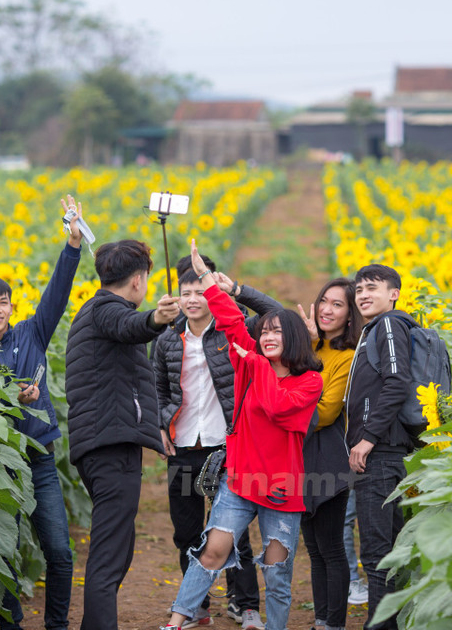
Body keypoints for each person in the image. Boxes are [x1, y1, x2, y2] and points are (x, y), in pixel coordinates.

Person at [160, 239, 323, 630]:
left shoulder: (309, 382)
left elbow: (277, 408)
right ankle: (178, 620)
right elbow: (233, 323)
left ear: (294, 340)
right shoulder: (249, 363)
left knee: (277, 571)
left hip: (282, 487)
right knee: (212, 551)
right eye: (263, 333)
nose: (266, 337)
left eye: (276, 333)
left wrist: (256, 362)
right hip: (239, 477)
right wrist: (207, 280)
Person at [0, 195, 83, 630]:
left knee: (59, 550)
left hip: (38, 459)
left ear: (11, 307)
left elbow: (57, 292)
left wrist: (72, 245)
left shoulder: (32, 333)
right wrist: (6, 399)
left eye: (4, 302)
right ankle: (11, 625)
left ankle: (56, 626)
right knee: (3, 551)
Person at [155, 258, 281, 630]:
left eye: (199, 291)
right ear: (177, 297)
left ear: (211, 294)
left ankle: (245, 606)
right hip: (182, 447)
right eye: (185, 293)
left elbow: (277, 315)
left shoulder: (233, 330)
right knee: (187, 531)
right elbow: (157, 388)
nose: (192, 299)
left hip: (227, 446)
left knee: (231, 530)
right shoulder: (166, 339)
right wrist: (161, 425)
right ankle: (197, 607)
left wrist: (235, 290)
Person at [65, 239, 180, 630]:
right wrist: (155, 320)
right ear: (138, 280)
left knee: (118, 551)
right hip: (110, 448)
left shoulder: (92, 310)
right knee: (108, 557)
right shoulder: (107, 310)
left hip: (104, 444)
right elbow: (130, 327)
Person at [345, 264, 416, 630]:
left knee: (376, 555)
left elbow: (398, 380)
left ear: (394, 293)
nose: (362, 295)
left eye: (372, 287)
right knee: (386, 552)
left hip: (382, 455)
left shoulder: (388, 325)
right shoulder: (376, 329)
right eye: (358, 290)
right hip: (387, 454)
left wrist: (367, 437)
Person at [296, 278, 363, 630]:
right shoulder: (311, 347)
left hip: (329, 459)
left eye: (338, 304)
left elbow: (326, 412)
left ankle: (333, 622)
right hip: (300, 456)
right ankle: (321, 619)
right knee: (315, 549)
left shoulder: (347, 357)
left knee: (332, 547)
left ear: (350, 315)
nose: (327, 309)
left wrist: (284, 410)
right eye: (324, 300)